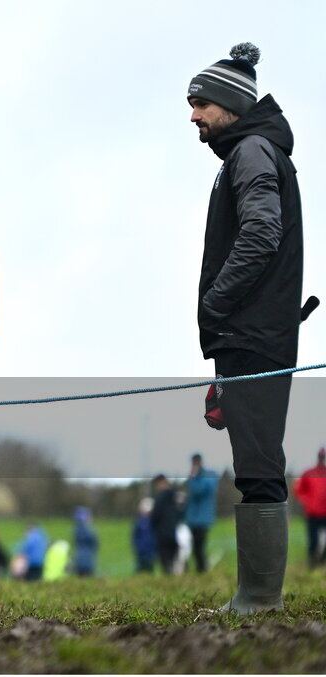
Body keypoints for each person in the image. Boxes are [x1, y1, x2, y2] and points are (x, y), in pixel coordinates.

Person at [188, 42, 304, 614]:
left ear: (230, 104)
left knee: (258, 463)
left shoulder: (252, 151)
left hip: (253, 335)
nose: (193, 116)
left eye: (200, 103)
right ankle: (255, 596)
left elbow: (261, 232)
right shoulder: (250, 152)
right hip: (252, 335)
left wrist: (216, 302)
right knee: (254, 460)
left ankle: (259, 601)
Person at [184, 453, 218, 573]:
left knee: (199, 546)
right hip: (193, 519)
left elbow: (198, 491)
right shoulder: (197, 476)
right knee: (195, 547)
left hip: (202, 518)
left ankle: (202, 569)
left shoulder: (208, 476)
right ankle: (200, 569)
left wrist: (192, 479)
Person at [294, 448, 326, 568]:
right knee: (313, 541)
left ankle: (322, 562)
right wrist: (305, 501)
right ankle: (312, 564)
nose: (321, 459)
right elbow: (299, 489)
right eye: (320, 457)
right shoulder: (308, 473)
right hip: (312, 513)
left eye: (323, 457)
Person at [150, 475, 180, 575]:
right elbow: (180, 513)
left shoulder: (160, 499)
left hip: (163, 533)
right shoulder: (174, 497)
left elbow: (155, 516)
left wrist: (153, 525)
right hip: (173, 532)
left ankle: (168, 576)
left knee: (165, 560)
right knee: (172, 559)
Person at [132, 497, 157, 574]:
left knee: (150, 569)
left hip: (151, 552)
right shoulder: (139, 522)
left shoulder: (153, 521)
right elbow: (135, 536)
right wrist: (138, 547)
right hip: (141, 552)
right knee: (141, 569)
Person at [72, 506, 98, 577]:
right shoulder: (90, 531)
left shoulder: (76, 531)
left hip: (79, 561)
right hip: (88, 562)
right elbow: (95, 544)